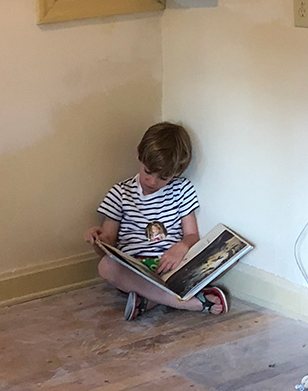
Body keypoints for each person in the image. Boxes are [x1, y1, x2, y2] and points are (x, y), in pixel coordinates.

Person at [88, 121, 229, 321]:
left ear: (177, 172)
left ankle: (148, 300)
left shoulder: (182, 189)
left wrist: (181, 247)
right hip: (135, 270)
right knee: (105, 265)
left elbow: (191, 235)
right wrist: (97, 240)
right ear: (139, 155)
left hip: (172, 267)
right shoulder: (119, 193)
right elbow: (107, 244)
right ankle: (190, 303)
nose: (153, 182)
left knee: (221, 255)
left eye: (163, 177)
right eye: (148, 172)